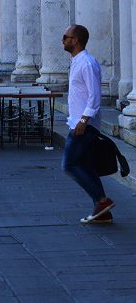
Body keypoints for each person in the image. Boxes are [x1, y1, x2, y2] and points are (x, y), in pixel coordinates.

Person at [62, 24, 115, 224]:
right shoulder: (77, 61)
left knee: (69, 164)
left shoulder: (86, 63)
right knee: (84, 165)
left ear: (75, 40)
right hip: (77, 122)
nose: (63, 40)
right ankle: (103, 211)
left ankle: (102, 200)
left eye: (66, 37)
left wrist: (84, 120)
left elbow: (94, 96)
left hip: (83, 125)